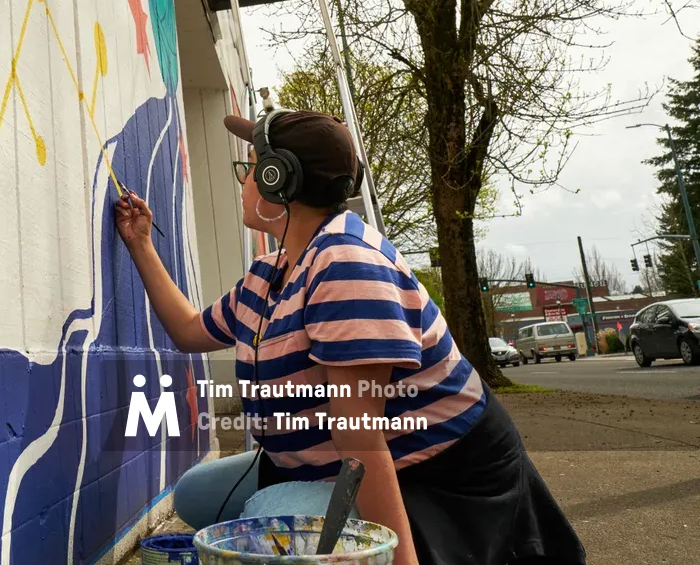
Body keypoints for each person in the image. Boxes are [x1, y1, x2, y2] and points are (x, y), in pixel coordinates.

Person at [114, 109, 585, 565]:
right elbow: (189, 331)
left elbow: (361, 438)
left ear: (281, 181)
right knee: (195, 495)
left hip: (433, 480)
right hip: (332, 467)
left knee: (267, 529)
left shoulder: (346, 264)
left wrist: (398, 560)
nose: (244, 181)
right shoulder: (269, 274)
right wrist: (140, 242)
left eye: (253, 169)